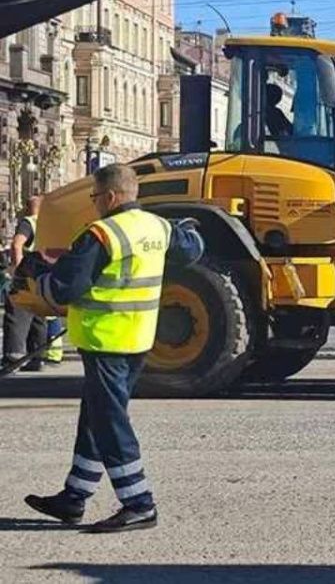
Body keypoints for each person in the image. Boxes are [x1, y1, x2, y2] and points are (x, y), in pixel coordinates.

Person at [19, 164, 203, 532]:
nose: (94, 205)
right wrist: (190, 228)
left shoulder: (101, 234)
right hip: (137, 339)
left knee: (109, 422)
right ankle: (74, 497)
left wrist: (36, 276)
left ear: (110, 197)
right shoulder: (157, 227)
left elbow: (63, 290)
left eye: (95, 198)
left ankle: (139, 503)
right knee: (96, 414)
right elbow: (193, 249)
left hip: (105, 339)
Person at [2, 196, 47, 372]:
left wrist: (17, 268)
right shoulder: (47, 224)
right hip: (43, 273)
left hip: (27, 271)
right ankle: (37, 357)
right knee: (38, 314)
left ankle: (13, 357)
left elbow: (16, 244)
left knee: (17, 311)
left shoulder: (28, 222)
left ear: (28, 207)